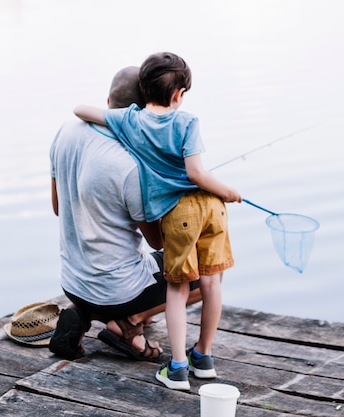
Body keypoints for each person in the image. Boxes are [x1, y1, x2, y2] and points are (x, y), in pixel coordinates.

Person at [74, 52, 242, 390]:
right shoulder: (188, 122)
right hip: (212, 208)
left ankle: (177, 368)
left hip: (179, 215)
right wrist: (228, 192)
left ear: (143, 88)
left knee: (178, 289)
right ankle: (203, 357)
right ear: (179, 95)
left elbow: (80, 109)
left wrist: (118, 115)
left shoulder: (130, 121)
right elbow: (197, 172)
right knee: (212, 283)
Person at [48, 66, 202, 363]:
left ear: (108, 101)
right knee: (205, 271)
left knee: (117, 274)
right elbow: (157, 241)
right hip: (118, 293)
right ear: (144, 114)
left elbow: (58, 208)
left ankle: (83, 313)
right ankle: (130, 321)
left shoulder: (66, 131)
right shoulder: (132, 164)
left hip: (71, 283)